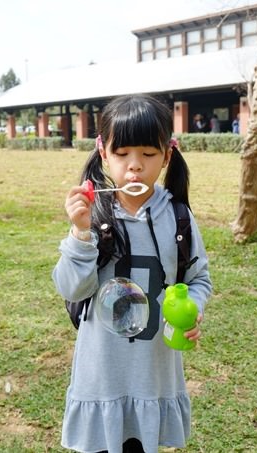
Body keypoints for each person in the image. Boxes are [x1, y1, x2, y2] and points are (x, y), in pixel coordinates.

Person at [53, 94, 213, 453]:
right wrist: (80, 233)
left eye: (148, 154)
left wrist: (195, 308)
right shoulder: (92, 215)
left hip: (153, 376)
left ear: (168, 155)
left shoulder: (179, 217)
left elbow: (198, 279)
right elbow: (71, 288)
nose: (135, 166)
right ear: (103, 153)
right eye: (122, 154)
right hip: (102, 377)